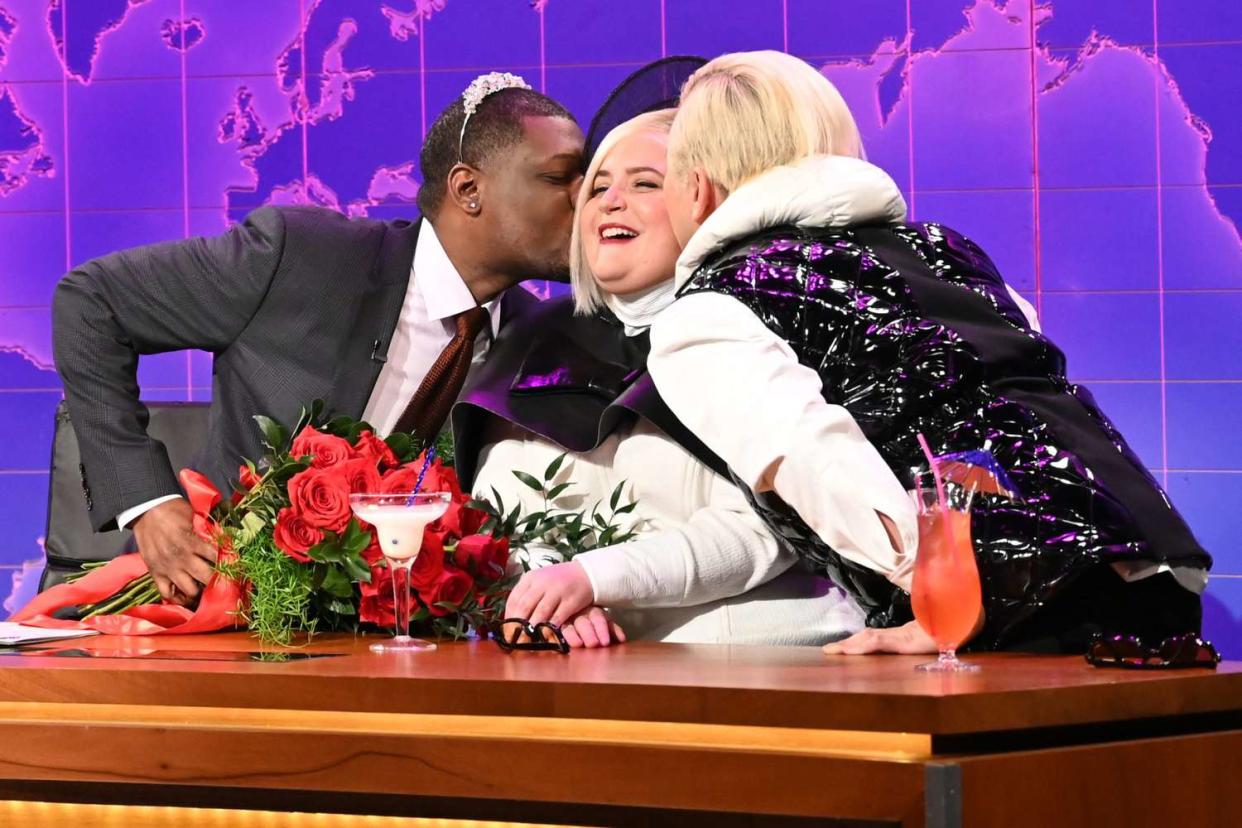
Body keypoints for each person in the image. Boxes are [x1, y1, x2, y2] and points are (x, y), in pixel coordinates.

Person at [641, 51, 1210, 654]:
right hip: (1151, 566)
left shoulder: (707, 310)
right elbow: (1037, 396)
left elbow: (810, 455)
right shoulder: (948, 251)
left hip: (1004, 604)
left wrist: (937, 597)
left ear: (697, 189)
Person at [52, 73, 585, 606]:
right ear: (469, 190)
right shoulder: (304, 258)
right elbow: (91, 303)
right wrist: (147, 501)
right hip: (199, 608)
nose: (588, 197)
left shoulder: (537, 345)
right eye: (563, 176)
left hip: (387, 645)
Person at [456, 105, 865, 648]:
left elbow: (767, 529)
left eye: (645, 182)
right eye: (598, 187)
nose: (610, 201)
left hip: (764, 663)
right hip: (580, 667)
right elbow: (500, 518)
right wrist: (544, 596)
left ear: (703, 203)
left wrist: (592, 579)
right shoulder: (530, 342)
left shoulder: (759, 329)